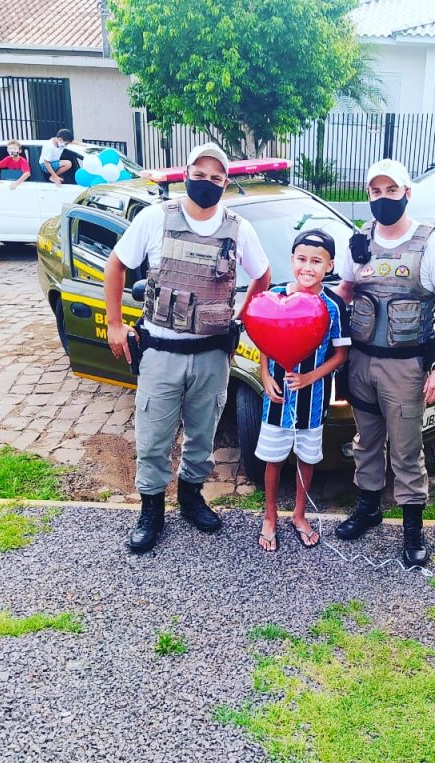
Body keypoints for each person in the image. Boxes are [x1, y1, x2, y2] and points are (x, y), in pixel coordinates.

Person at [104, 142, 271, 554]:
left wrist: (240, 319)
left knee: (202, 434)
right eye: (199, 175)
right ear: (186, 174)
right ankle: (151, 509)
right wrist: (114, 323)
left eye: (215, 177)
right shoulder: (155, 218)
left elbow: (263, 276)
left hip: (212, 355)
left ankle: (192, 497)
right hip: (160, 351)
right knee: (153, 436)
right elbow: (116, 264)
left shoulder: (239, 229)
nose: (206, 183)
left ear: (225, 183)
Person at [335, 158, 435, 567]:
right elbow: (343, 294)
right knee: (366, 442)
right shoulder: (358, 241)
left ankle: (412, 529)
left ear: (407, 193)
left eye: (391, 190)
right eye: (376, 191)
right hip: (361, 362)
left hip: (406, 367)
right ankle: (369, 508)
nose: (383, 198)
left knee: (407, 451)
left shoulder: (431, 244)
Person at [255, 229, 350, 552]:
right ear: (292, 260)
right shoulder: (274, 296)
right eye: (301, 259)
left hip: (314, 399)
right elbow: (263, 338)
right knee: (273, 459)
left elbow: (340, 354)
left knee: (306, 458)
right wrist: (264, 374)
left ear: (329, 265)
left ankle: (299, 514)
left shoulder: (334, 306)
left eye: (316, 261)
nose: (307, 267)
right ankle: (269, 515)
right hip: (277, 397)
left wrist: (310, 377)